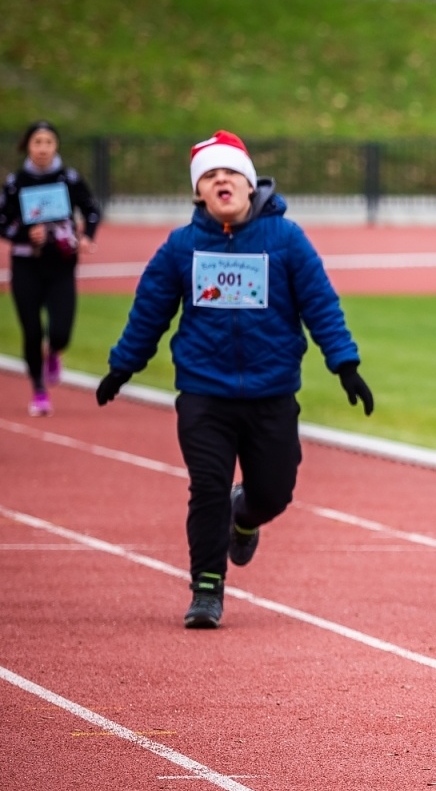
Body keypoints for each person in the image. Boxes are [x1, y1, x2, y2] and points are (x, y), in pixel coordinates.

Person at [95, 131, 374, 630]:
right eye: (208, 175)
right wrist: (123, 366)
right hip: (205, 393)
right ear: (198, 193)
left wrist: (345, 365)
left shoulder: (286, 240)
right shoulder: (182, 247)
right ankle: (207, 587)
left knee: (273, 492)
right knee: (207, 487)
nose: (220, 180)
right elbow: (150, 311)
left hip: (272, 392)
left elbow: (321, 305)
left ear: (248, 183)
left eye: (228, 172)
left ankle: (244, 517)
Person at [0, 121, 103, 416]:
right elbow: (0, 224)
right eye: (37, 142)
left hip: (61, 264)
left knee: (61, 331)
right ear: (28, 146)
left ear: (56, 146)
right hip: (26, 264)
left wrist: (87, 236)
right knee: (31, 330)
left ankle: (54, 351)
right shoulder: (16, 182)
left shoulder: (69, 178)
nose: (43, 148)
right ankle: (39, 390)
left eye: (48, 142)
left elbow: (92, 209)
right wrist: (25, 234)